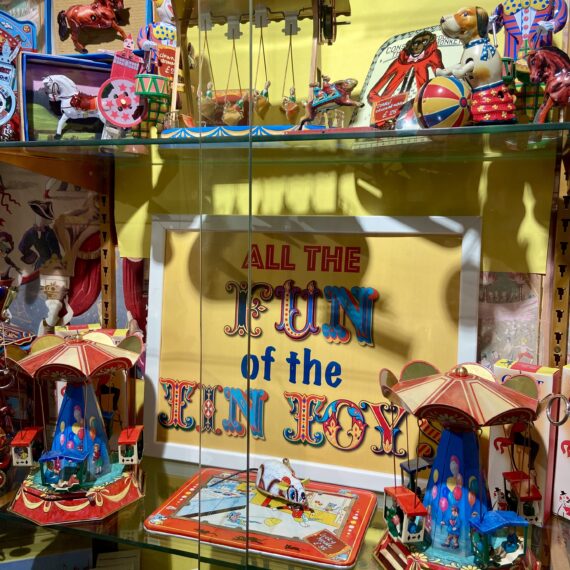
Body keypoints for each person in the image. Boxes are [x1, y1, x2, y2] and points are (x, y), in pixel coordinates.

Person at [491, 0, 568, 61]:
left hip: (540, 56)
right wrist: (491, 23)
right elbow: (494, 29)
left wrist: (552, 24)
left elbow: (560, 16)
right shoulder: (503, 7)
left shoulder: (551, 1)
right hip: (512, 57)